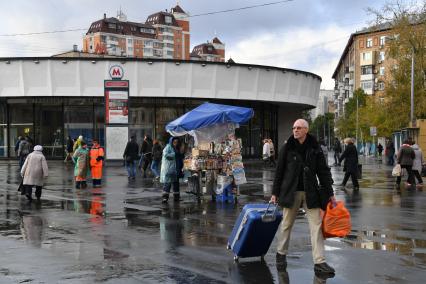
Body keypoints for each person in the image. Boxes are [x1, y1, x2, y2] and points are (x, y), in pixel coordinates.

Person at [271, 119, 335, 275]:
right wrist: (275, 193)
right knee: (286, 224)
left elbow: (323, 171)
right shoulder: (287, 147)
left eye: (298, 128)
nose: (295, 130)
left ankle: (320, 262)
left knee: (316, 226)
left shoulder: (315, 148)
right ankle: (281, 253)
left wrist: (331, 193)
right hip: (290, 192)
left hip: (310, 192)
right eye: (293, 127)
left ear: (306, 130)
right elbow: (279, 172)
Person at [160, 137, 184, 203]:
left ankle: (176, 197)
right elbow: (165, 155)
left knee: (176, 184)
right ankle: (165, 198)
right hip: (169, 168)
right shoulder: (168, 147)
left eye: (177, 142)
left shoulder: (177, 148)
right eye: (174, 142)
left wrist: (181, 165)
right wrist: (174, 154)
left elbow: (179, 158)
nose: (176, 143)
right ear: (171, 142)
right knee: (167, 183)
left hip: (176, 169)